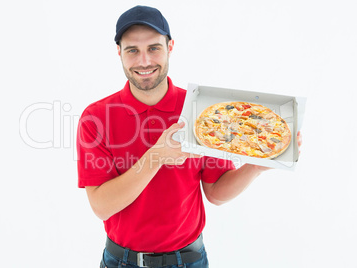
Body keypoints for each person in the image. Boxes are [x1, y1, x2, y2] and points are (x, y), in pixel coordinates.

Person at [77, 5, 302, 268]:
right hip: (121, 261)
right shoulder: (96, 117)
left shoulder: (198, 110)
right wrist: (157, 156)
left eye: (154, 48)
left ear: (170, 46)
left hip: (189, 260)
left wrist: (254, 166)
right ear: (119, 53)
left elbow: (216, 193)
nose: (145, 61)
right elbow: (101, 207)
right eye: (132, 51)